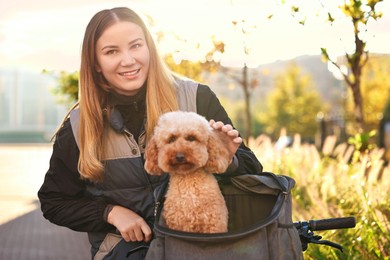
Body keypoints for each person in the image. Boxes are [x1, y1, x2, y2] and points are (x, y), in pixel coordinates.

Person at [38, 7, 263, 260]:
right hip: (125, 252)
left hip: (200, 248)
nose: (128, 60)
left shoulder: (197, 98)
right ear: (96, 63)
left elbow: (252, 169)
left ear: (149, 49)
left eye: (136, 46)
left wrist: (228, 159)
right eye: (112, 51)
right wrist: (110, 213)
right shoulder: (80, 126)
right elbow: (54, 201)